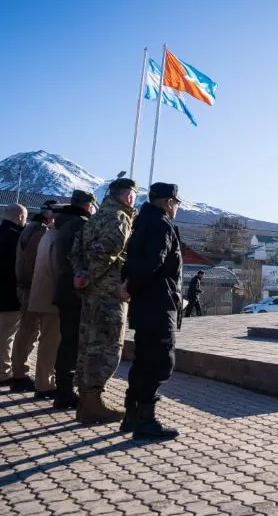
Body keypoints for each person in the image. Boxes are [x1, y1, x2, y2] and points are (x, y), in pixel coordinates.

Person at [70, 177, 137, 423]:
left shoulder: (95, 218)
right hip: (108, 294)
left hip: (89, 294)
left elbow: (75, 251)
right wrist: (88, 275)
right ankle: (93, 402)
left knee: (88, 344)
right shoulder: (120, 218)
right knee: (107, 345)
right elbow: (108, 250)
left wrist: (80, 273)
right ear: (128, 195)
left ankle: (86, 400)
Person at [120, 183, 183, 440]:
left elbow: (131, 259)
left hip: (145, 303)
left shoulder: (141, 221)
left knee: (142, 360)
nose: (176, 208)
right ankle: (146, 420)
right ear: (169, 202)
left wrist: (127, 284)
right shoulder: (161, 225)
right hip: (158, 303)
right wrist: (131, 284)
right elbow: (153, 261)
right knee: (159, 362)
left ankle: (132, 415)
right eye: (176, 203)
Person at [52, 190, 97, 409]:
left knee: (67, 342)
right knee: (73, 344)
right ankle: (65, 393)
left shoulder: (63, 224)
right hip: (76, 291)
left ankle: (63, 389)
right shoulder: (80, 224)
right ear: (89, 206)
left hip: (64, 289)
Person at [12, 204, 62, 398]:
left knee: (26, 332)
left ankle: (19, 373)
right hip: (35, 288)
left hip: (28, 288)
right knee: (42, 336)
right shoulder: (40, 233)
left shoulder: (29, 229)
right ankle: (39, 380)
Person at [0, 204, 27, 387]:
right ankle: (2, 373)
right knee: (6, 336)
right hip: (9, 295)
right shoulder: (16, 238)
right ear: (21, 217)